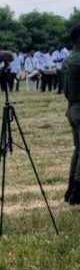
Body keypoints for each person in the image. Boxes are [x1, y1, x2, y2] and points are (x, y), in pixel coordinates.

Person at [64, 24, 80, 205]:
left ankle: (70, 189)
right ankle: (77, 191)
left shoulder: (68, 60)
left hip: (72, 107)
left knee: (78, 149)